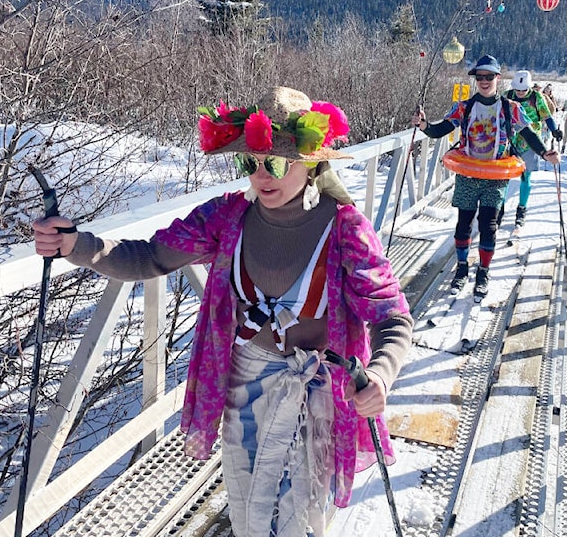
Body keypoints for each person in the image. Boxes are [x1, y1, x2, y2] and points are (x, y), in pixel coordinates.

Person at [33, 86, 414, 537]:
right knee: (246, 504)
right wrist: (77, 245)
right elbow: (149, 256)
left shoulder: (345, 228)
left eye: (272, 163)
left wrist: (382, 375)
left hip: (313, 396)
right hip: (241, 387)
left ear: (310, 163)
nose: (259, 176)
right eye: (248, 163)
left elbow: (392, 317)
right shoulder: (227, 218)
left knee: (299, 516)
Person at [410, 55, 560, 300]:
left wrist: (545, 153)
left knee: (489, 226)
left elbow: (529, 134)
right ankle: (461, 269)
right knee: (463, 225)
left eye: (489, 76)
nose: (484, 81)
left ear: (498, 78)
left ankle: (483, 271)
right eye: (480, 77)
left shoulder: (510, 108)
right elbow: (439, 130)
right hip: (468, 175)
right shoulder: (464, 107)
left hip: (495, 176)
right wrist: (424, 125)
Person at [504, 70, 564, 236]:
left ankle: (521, 210)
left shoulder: (537, 98)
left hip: (530, 142)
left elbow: (546, 116)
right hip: (510, 141)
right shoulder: (506, 96)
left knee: (525, 176)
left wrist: (554, 130)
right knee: (503, 177)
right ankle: (499, 208)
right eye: (518, 89)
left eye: (523, 90)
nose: (520, 93)